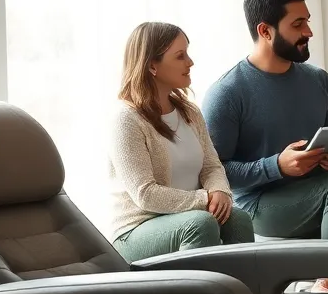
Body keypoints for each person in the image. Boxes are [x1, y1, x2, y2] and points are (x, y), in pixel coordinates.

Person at [202, 0, 328, 293]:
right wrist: (277, 166)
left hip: (316, 192)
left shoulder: (318, 80)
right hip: (259, 205)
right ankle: (325, 289)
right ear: (265, 31)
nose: (308, 31)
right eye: (298, 24)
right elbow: (215, 172)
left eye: (307, 21)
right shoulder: (227, 93)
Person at [108, 22, 253, 261]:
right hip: (135, 230)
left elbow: (212, 166)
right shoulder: (127, 120)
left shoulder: (189, 112)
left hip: (189, 217)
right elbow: (145, 194)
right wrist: (205, 199)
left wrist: (219, 191)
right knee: (200, 223)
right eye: (180, 56)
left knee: (238, 219)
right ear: (152, 65)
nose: (190, 62)